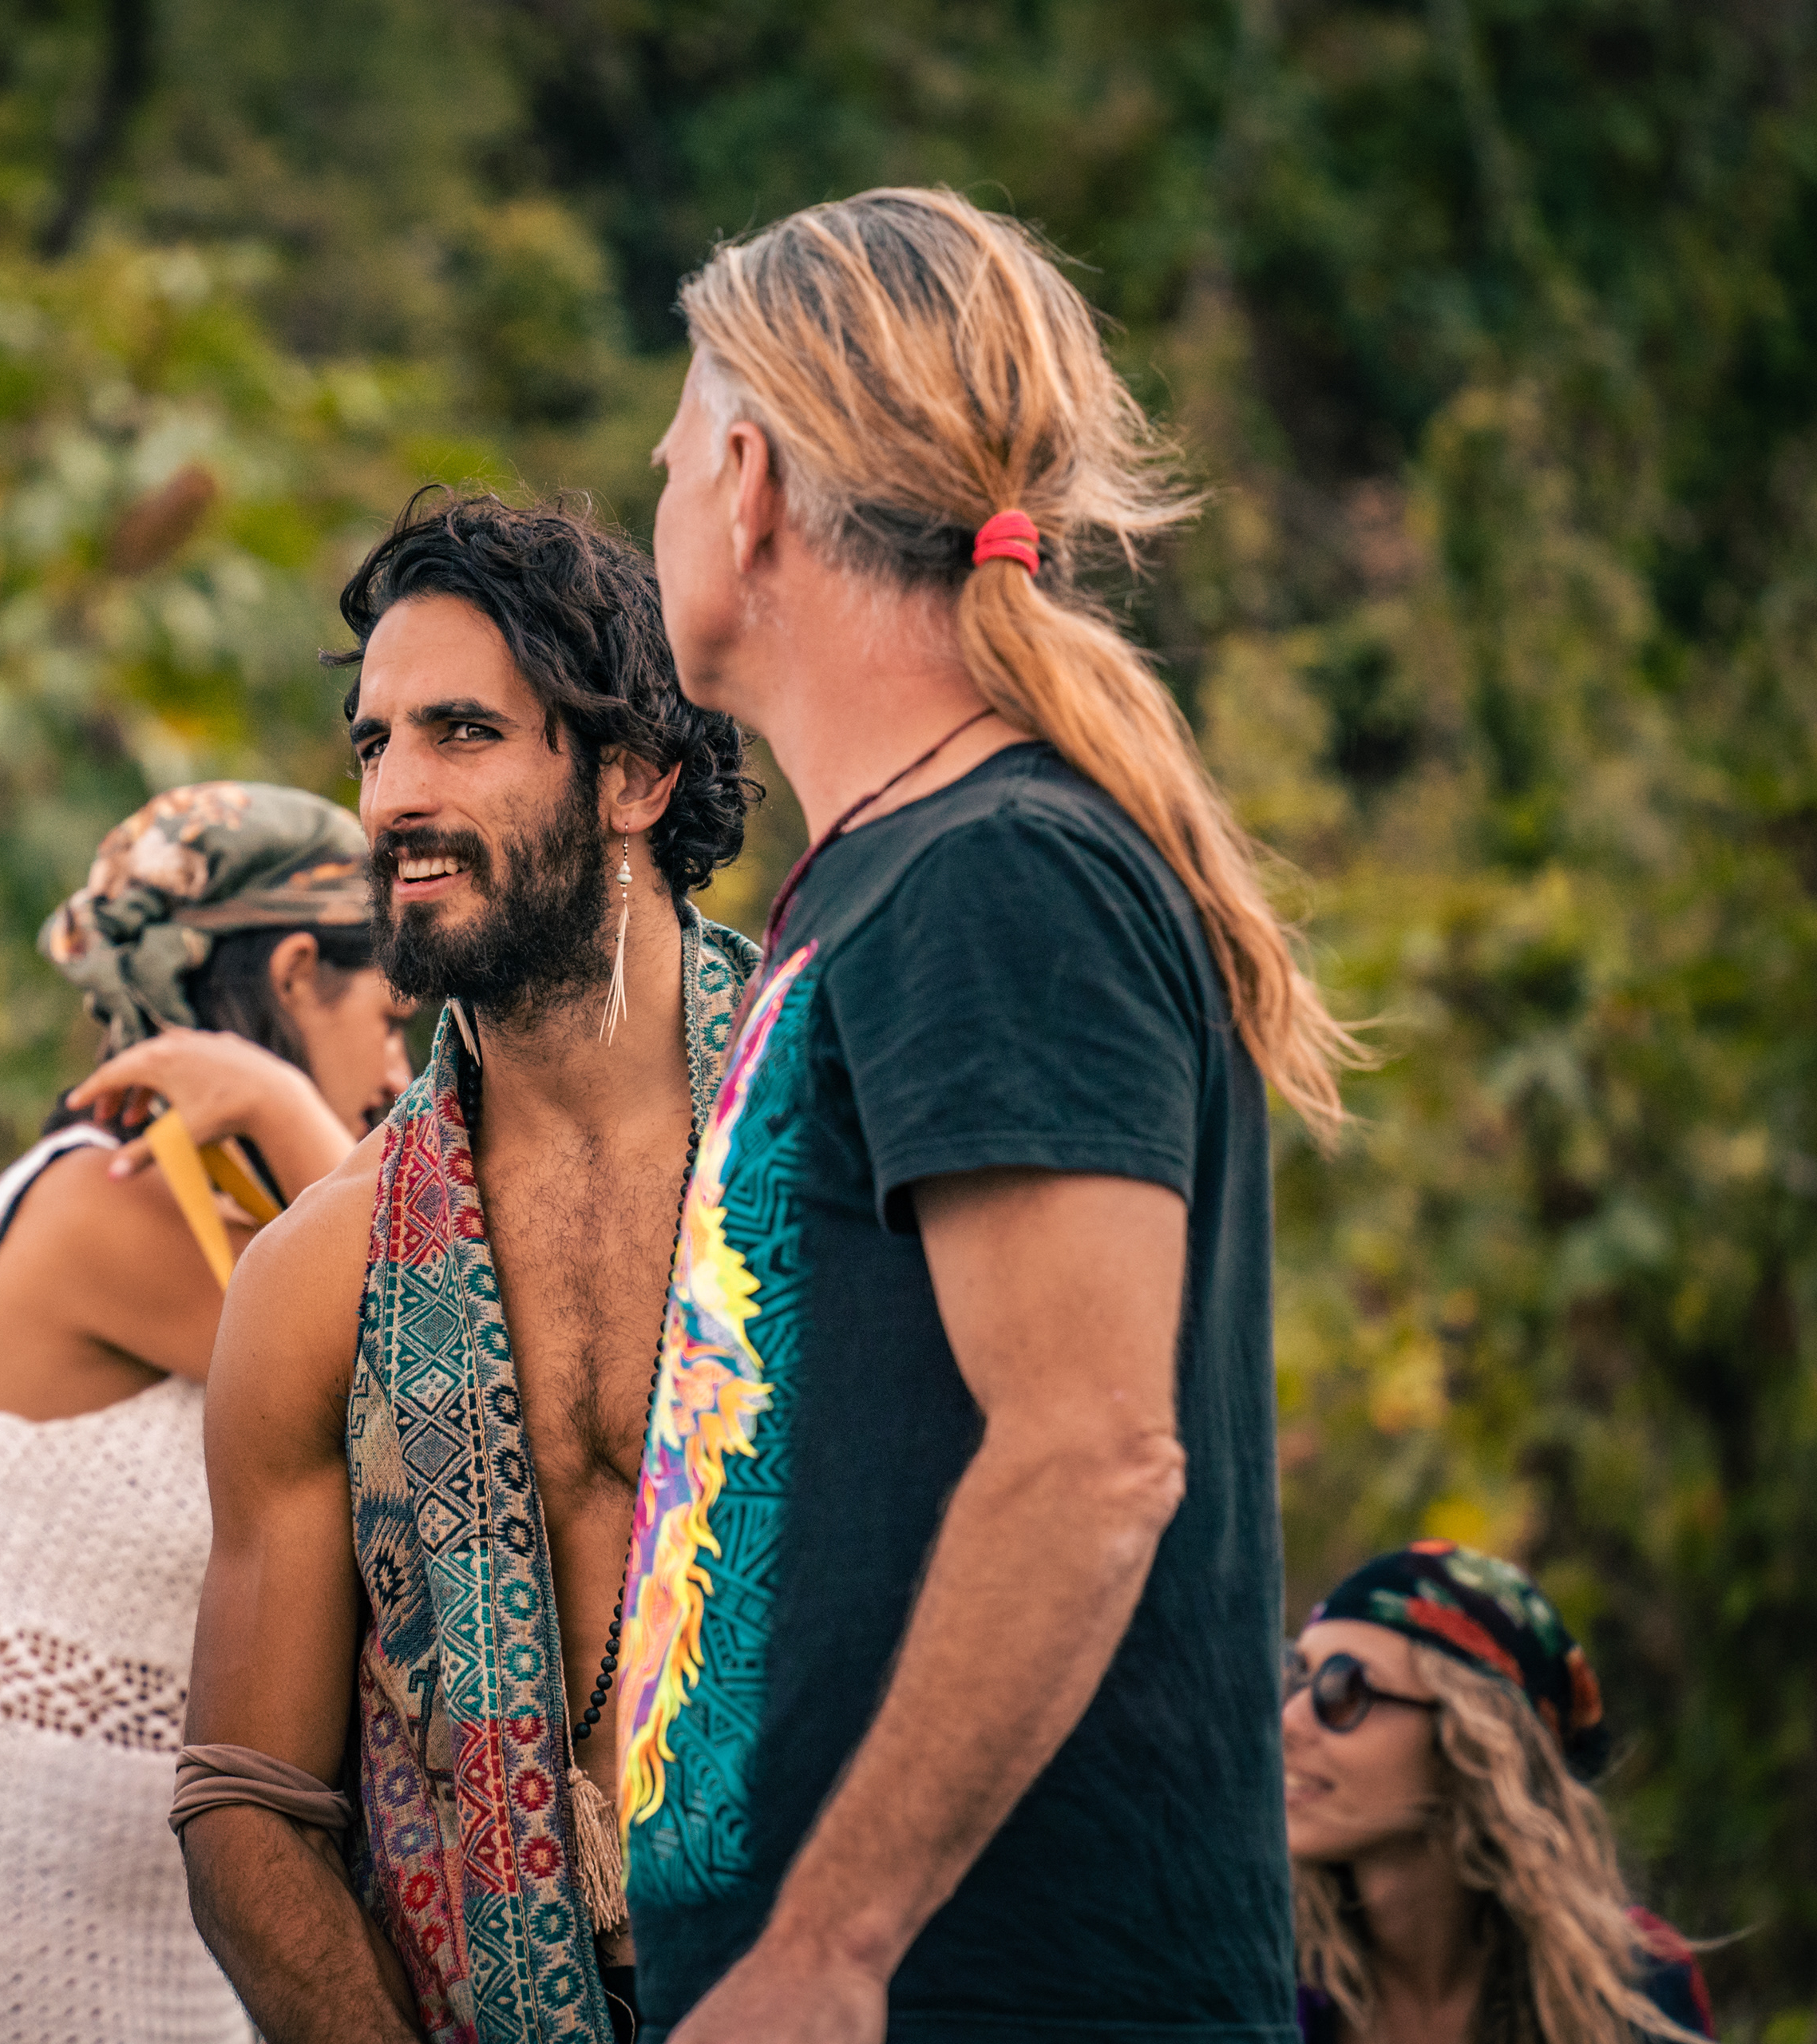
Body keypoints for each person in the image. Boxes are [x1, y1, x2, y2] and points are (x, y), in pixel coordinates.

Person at [624, 186, 1367, 2042]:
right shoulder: (879, 876)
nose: (650, 509)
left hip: (989, 1993)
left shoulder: (995, 872)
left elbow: (1091, 1452)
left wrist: (829, 1942)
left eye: (660, 462)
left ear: (745, 477)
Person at [175, 493, 758, 2044]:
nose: (391, 801)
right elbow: (245, 1802)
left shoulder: (825, 1161)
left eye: (460, 733)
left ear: (637, 772)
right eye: (373, 746)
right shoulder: (320, 1271)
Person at [0, 780, 410, 2044]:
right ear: (300, 970)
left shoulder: (224, 1213)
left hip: (137, 1868)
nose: (400, 1067)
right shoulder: (121, 1196)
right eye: (392, 1015)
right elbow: (429, 1354)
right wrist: (294, 1113)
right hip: (9, 1858)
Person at [1289, 1542, 1713, 2043]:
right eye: (1294, 1678)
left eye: (1342, 1691)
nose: (1286, 1722)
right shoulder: (1261, 1977)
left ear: (1470, 1745)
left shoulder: (1637, 1990)